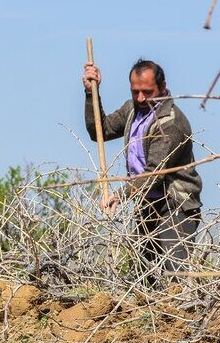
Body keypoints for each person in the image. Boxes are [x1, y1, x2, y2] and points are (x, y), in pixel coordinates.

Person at [82, 58, 203, 280]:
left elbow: (154, 173)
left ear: (162, 87)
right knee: (146, 276)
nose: (140, 98)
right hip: (146, 204)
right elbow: (101, 130)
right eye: (135, 91)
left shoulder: (171, 123)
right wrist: (92, 93)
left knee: (174, 275)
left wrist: (120, 195)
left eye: (147, 92)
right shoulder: (132, 110)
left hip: (175, 205)